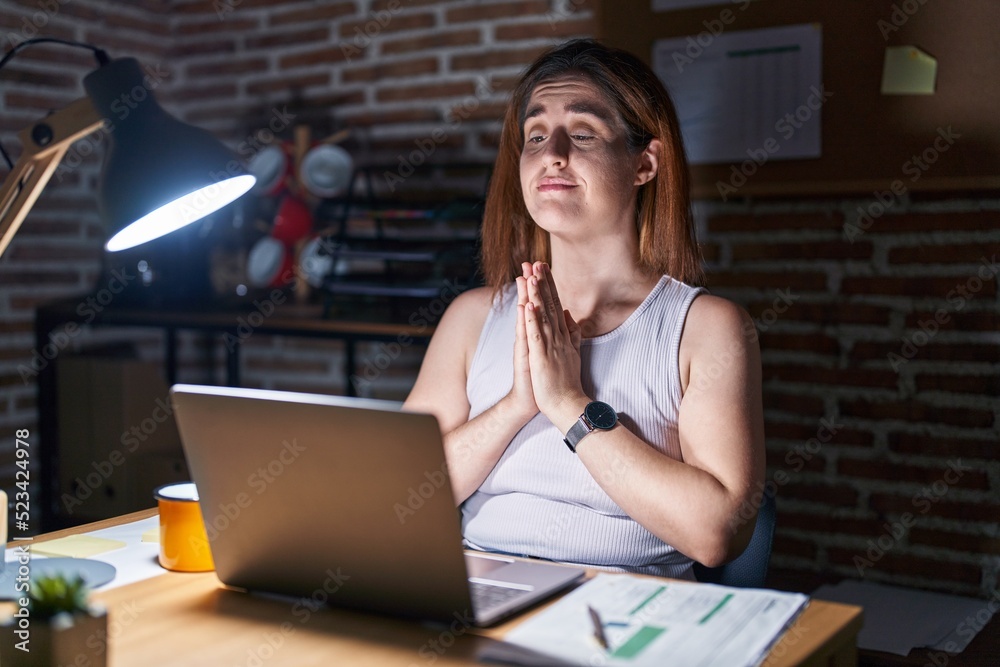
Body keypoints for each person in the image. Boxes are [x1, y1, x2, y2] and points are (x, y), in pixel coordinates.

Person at [403, 39, 764, 580]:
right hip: (472, 591)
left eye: (584, 133)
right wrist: (518, 403)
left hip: (628, 607)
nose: (553, 152)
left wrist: (569, 403)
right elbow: (396, 492)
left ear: (644, 163)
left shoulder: (707, 328)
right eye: (536, 135)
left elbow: (718, 534)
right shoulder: (471, 318)